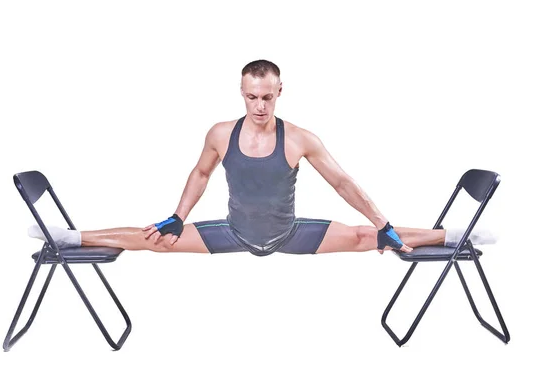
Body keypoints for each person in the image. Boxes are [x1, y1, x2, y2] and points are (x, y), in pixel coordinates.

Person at [28, 60, 496, 256]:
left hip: (290, 234)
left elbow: (343, 183)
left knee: (366, 237)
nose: (259, 105)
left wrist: (382, 221)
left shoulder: (300, 138)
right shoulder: (219, 132)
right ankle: (67, 234)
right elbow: (201, 172)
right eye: (252, 96)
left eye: (267, 96)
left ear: (278, 92)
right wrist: (178, 216)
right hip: (233, 233)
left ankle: (457, 233)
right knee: (152, 238)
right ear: (242, 92)